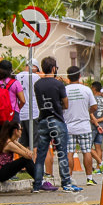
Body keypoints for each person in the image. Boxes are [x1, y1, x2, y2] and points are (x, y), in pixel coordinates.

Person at [32, 56, 79, 193]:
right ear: (54, 68)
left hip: (42, 121)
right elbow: (65, 104)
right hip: (57, 120)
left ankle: (37, 185)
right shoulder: (59, 84)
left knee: (41, 154)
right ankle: (66, 183)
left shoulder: (37, 84)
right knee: (62, 153)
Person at [64, 66, 98, 182]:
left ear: (68, 77)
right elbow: (94, 106)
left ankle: (69, 178)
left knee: (70, 152)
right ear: (79, 76)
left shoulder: (65, 90)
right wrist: (88, 112)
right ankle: (89, 178)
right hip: (84, 126)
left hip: (69, 126)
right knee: (86, 151)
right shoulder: (86, 90)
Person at [0, 59, 26, 132]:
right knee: (12, 140)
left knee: (2, 140)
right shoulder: (15, 83)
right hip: (13, 115)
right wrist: (17, 109)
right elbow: (23, 100)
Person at [16, 59, 41, 144]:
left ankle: (24, 158)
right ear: (33, 67)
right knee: (35, 143)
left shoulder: (17, 76)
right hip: (33, 113)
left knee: (23, 143)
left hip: (21, 114)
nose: (37, 72)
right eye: (37, 70)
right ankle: (34, 157)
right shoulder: (35, 77)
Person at [90, 83, 103, 179]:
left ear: (94, 89)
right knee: (98, 147)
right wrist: (99, 121)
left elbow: (89, 112)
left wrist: (95, 121)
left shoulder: (92, 99)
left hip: (92, 126)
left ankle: (100, 162)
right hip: (102, 126)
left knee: (87, 147)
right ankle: (99, 168)